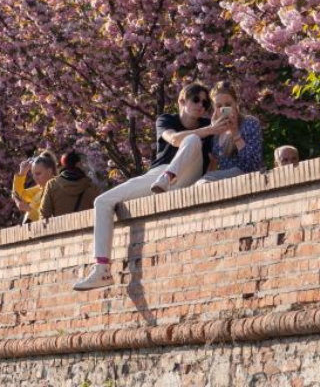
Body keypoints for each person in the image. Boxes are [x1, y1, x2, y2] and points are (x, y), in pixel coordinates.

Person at [73, 82, 227, 291]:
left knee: (192, 140)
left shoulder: (209, 127)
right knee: (102, 201)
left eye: (205, 102)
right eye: (196, 100)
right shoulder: (167, 120)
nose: (201, 105)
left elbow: (212, 161)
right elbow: (173, 139)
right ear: (182, 101)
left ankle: (167, 179)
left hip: (185, 176)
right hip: (158, 175)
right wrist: (208, 130)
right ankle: (101, 269)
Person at [198, 81, 263, 182]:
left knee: (206, 180)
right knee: (203, 181)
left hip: (247, 177)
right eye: (219, 106)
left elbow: (253, 164)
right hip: (226, 183)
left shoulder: (249, 123)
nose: (224, 109)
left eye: (228, 104)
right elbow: (214, 166)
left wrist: (235, 133)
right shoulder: (216, 132)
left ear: (236, 104)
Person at [39, 151, 101, 219]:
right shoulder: (91, 186)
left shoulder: (52, 185)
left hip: (62, 228)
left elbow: (44, 214)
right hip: (89, 228)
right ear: (78, 164)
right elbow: (99, 211)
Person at [11, 151, 57, 223]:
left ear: (49, 171)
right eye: (33, 174)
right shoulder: (39, 189)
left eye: (38, 174)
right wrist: (22, 173)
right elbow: (18, 194)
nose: (35, 177)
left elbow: (52, 218)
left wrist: (29, 209)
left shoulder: (57, 188)